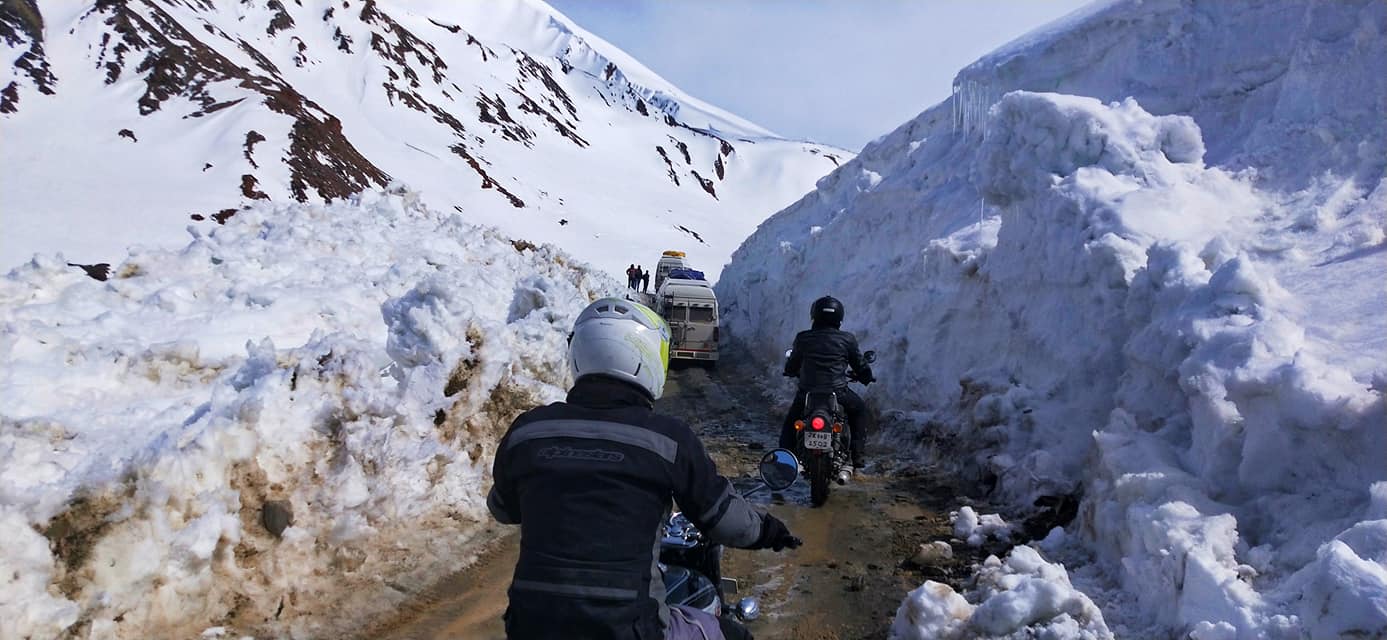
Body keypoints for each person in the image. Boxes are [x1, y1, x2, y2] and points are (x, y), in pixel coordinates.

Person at [489, 297, 801, 640]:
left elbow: (502, 509)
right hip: (630, 629)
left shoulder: (527, 432)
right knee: (733, 634)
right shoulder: (667, 439)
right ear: (648, 357)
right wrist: (770, 530)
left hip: (530, 627)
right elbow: (724, 521)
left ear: (580, 353)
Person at [780, 295, 875, 472]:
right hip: (838, 392)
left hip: (807, 393)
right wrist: (866, 376)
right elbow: (860, 364)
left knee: (790, 422)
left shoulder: (803, 338)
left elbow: (792, 364)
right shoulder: (847, 339)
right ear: (839, 317)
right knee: (859, 410)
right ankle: (858, 455)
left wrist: (790, 371)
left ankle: (784, 461)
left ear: (814, 315)